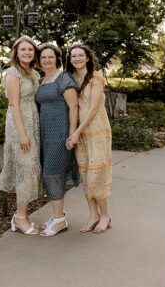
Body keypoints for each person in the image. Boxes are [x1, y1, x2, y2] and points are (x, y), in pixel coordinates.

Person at [0, 34, 42, 235]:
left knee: (31, 168)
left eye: (30, 49)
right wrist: (23, 134)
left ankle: (23, 214)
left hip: (33, 120)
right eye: (23, 49)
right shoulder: (13, 73)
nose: (27, 52)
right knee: (26, 168)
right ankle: (20, 217)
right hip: (19, 123)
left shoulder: (33, 72)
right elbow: (13, 104)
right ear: (16, 52)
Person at [65, 42, 113, 233]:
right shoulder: (70, 79)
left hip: (97, 130)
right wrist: (74, 132)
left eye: (80, 55)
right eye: (73, 56)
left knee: (96, 174)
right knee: (85, 174)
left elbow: (92, 109)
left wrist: (75, 133)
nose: (77, 58)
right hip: (80, 133)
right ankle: (93, 215)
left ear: (87, 58)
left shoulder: (96, 78)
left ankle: (106, 215)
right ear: (69, 59)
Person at [35, 41, 79, 237]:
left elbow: (74, 107)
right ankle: (57, 215)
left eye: (50, 57)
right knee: (49, 172)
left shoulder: (64, 79)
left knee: (52, 173)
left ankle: (59, 220)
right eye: (43, 57)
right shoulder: (41, 81)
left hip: (60, 133)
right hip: (44, 134)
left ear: (57, 59)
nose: (46, 60)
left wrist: (71, 134)